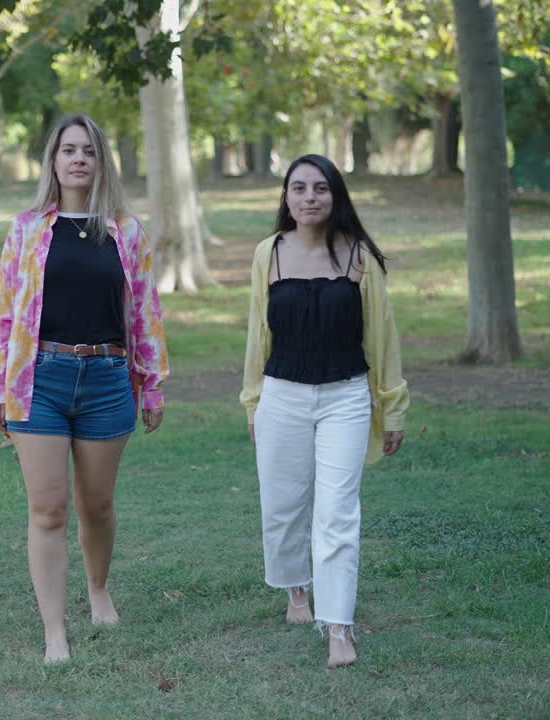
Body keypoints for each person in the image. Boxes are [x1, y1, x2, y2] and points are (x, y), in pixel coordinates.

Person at [0, 114, 169, 665]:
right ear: (53, 160)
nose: (78, 159)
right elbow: (3, 314)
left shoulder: (125, 232)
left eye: (89, 151)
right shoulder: (26, 230)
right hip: (40, 379)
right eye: (68, 150)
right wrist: (0, 384)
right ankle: (54, 632)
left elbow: (145, 314)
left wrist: (152, 384)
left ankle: (98, 590)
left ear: (101, 161)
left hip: (108, 380)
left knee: (97, 505)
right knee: (48, 510)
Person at [239, 154, 408, 669]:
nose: (309, 197)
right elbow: (258, 334)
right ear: (285, 198)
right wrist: (253, 403)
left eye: (320, 188)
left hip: (346, 399)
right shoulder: (268, 254)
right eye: (299, 188)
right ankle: (296, 591)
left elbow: (381, 338)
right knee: (284, 506)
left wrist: (392, 406)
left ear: (335, 196)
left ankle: (339, 627)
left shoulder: (359, 257)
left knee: (337, 514)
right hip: (281, 397)